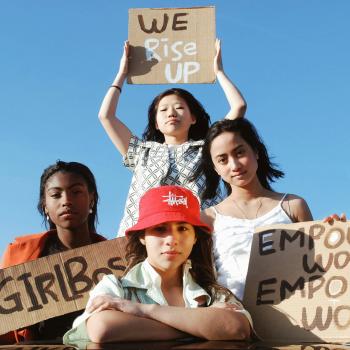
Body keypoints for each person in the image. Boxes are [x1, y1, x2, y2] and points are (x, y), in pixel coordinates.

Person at [63, 186, 253, 345]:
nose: (172, 239)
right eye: (160, 229)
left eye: (183, 229)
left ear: (195, 237)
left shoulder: (212, 293)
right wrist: (202, 324)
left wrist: (141, 310)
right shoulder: (115, 287)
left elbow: (237, 328)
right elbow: (102, 328)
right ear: (142, 237)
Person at [98, 39, 247, 236]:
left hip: (197, 237)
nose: (172, 113)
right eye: (164, 110)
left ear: (193, 118)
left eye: (179, 108)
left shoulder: (207, 149)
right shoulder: (141, 152)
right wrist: (122, 74)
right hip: (145, 239)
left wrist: (219, 71)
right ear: (156, 124)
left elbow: (238, 106)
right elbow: (106, 116)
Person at [193, 118, 315, 300]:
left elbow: (316, 263)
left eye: (240, 152)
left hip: (295, 318)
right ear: (215, 168)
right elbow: (204, 279)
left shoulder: (293, 205)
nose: (234, 165)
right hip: (238, 320)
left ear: (256, 152)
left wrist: (334, 232)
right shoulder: (208, 218)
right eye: (223, 160)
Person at [0, 161, 106, 343]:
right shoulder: (19, 253)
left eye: (76, 192)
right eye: (56, 195)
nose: (66, 201)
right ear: (45, 206)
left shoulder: (116, 258)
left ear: (92, 199)